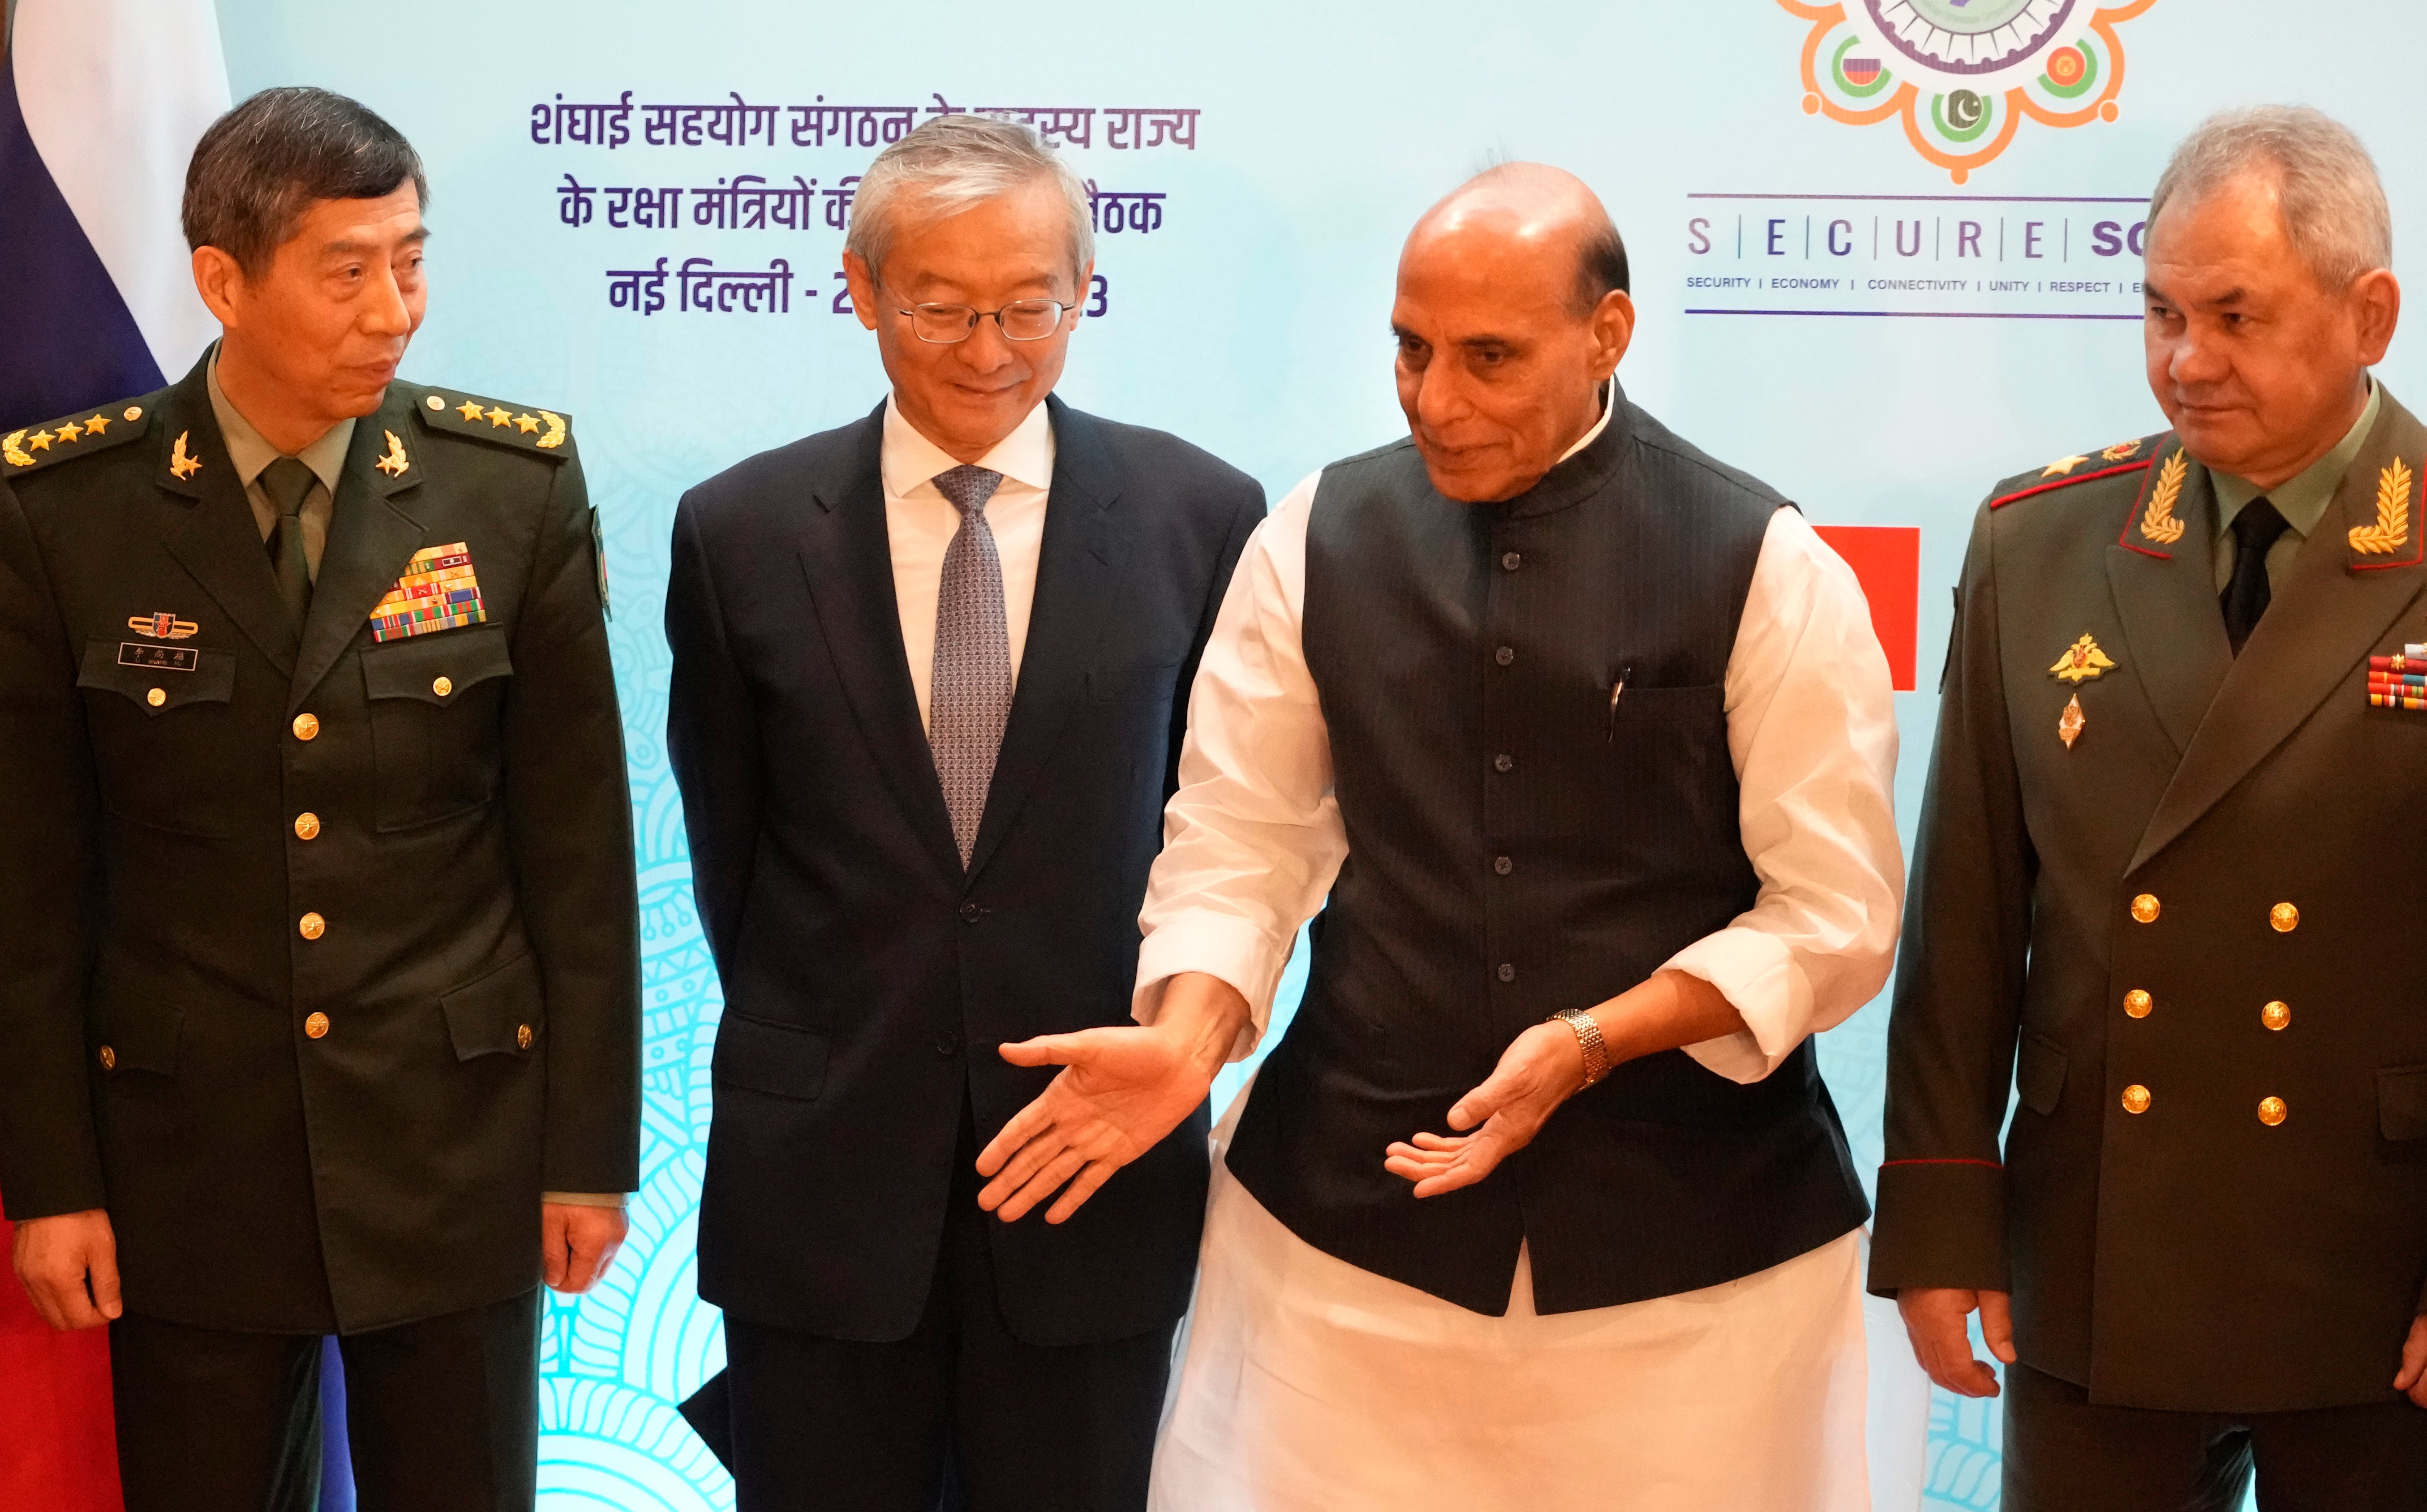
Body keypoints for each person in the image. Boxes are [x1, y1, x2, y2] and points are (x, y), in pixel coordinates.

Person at [973, 163, 1902, 1509]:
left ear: (1608, 336)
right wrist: (1188, 1033)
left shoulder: (1764, 560)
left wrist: (1592, 1042)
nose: (1435, 400)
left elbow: (1832, 914)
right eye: (1409, 351)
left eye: (1488, 358)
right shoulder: (1313, 534)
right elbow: (1243, 836)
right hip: (1339, 1257)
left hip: (1695, 1272)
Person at [0, 87, 640, 1511]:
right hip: (187, 1165)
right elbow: (33, 887)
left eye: (411, 259)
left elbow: (578, 857)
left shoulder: (508, 487)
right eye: (347, 270)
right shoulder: (64, 511)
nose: (394, 310)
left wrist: (586, 1159)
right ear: (222, 280)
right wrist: (50, 1181)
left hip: (453, 1152)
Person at [664, 114, 1265, 1511]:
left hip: (1091, 1161)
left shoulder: (1201, 514)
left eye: (1029, 308)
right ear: (862, 291)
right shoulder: (740, 528)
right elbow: (730, 851)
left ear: (1083, 294)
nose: (988, 350)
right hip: (822, 1170)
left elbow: (1226, 836)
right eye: (938, 308)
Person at [1872, 105, 2427, 1509]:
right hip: (2098, 1243)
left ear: (2369, 315)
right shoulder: (2040, 541)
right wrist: (1942, 1219)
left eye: (2234, 317)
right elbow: (1967, 917)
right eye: (2161, 312)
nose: (2186, 360)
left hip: (2374, 1264)